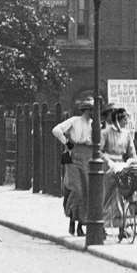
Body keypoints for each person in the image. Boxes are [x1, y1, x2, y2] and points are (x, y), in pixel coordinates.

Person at [51, 96, 97, 236]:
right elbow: (56, 130)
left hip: (88, 157)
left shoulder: (95, 124)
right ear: (87, 110)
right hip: (74, 156)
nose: (94, 112)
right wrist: (66, 142)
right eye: (92, 110)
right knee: (77, 190)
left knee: (88, 190)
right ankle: (73, 219)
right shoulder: (74, 121)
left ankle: (81, 224)